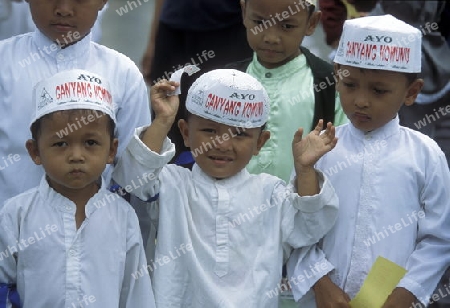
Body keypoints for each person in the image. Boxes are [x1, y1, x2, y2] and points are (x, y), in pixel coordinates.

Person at [112, 68, 339, 307]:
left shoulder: (271, 193)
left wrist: (305, 171)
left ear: (259, 143)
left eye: (240, 134)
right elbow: (134, 177)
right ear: (186, 133)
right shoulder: (173, 183)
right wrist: (162, 120)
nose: (223, 144)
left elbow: (310, 228)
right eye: (210, 130)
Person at [286, 14, 450, 308]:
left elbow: (439, 239)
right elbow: (296, 227)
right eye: (350, 85)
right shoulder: (320, 150)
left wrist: (406, 293)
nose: (361, 100)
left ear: (411, 92)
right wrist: (320, 283)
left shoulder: (425, 155)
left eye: (379, 90)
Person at [0, 70, 156, 307]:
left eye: (90, 143)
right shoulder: (17, 215)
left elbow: (136, 294)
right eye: (60, 143)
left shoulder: (123, 216)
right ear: (35, 152)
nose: (76, 156)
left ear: (111, 151)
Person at [225, 0, 347, 184]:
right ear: (244, 12)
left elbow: (342, 154)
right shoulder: (225, 81)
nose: (271, 37)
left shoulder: (329, 84)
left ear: (311, 23)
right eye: (260, 23)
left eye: (287, 26)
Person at [141, 0, 253, 165]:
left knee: (221, 121)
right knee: (168, 116)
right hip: (174, 31)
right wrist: (153, 42)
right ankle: (161, 183)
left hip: (227, 31)